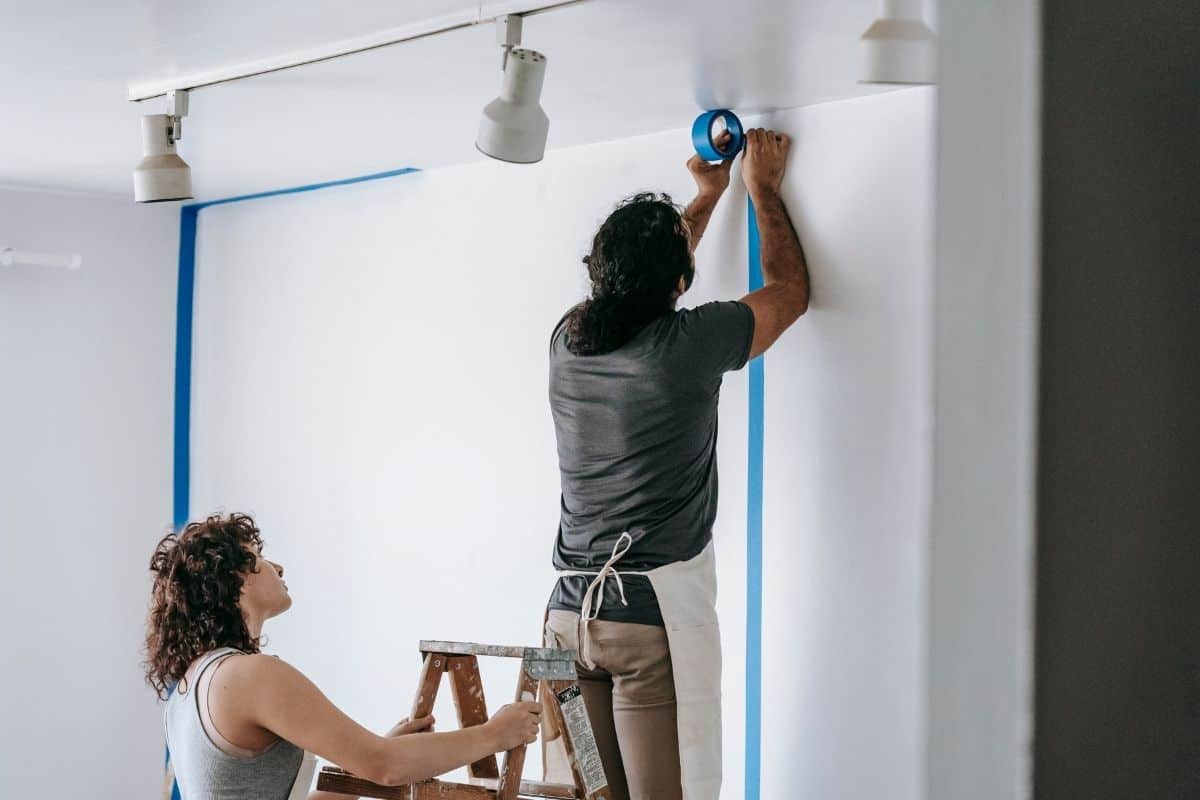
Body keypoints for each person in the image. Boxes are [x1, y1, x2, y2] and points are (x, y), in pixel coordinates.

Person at [542, 128, 809, 800]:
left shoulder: (569, 337)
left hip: (562, 626)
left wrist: (702, 198)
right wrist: (762, 192)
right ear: (682, 282)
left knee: (587, 796)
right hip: (641, 628)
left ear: (596, 271)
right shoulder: (687, 345)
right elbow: (789, 293)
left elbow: (645, 280)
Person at [146, 512, 541, 800]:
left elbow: (377, 762)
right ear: (233, 579)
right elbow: (387, 766)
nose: (277, 566)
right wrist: (497, 734)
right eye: (258, 557)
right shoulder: (250, 677)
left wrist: (365, 758)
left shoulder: (189, 689)